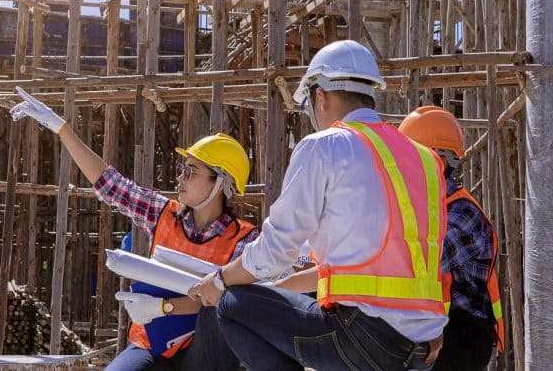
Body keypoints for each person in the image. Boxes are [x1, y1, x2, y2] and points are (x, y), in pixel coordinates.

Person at [187, 40, 450, 371]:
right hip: (424, 345)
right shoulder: (424, 158)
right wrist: (277, 290)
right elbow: (404, 265)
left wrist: (220, 281)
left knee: (230, 305)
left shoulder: (325, 146)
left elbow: (275, 250)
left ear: (320, 96)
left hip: (361, 341)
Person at [10, 88, 255, 371]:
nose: (180, 178)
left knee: (221, 308)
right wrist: (63, 129)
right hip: (152, 347)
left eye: (191, 171)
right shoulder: (163, 213)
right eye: (182, 168)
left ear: (221, 183)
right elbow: (111, 184)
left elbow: (230, 304)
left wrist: (164, 307)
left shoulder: (245, 240)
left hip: (205, 358)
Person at [398, 106, 505, 370]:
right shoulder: (429, 210)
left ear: (439, 161)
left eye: (408, 158)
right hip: (439, 327)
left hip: (463, 334)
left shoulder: (460, 214)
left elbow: (417, 268)